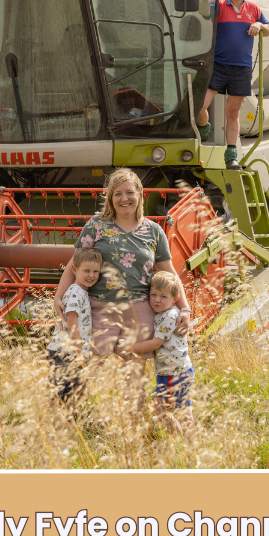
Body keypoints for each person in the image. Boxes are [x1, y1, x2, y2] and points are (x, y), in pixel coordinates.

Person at [53, 168, 192, 405]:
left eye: (129, 192)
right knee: (84, 369)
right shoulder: (97, 225)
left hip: (139, 311)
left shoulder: (153, 231)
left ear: (140, 194)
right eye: (117, 194)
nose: (124, 198)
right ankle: (72, 417)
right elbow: (74, 264)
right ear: (110, 198)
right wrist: (59, 296)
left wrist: (185, 308)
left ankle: (131, 423)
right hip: (99, 308)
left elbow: (169, 272)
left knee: (133, 381)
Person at [196, 0, 269, 171]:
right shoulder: (219, 5)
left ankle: (231, 158)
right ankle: (204, 128)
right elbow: (203, 10)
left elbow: (268, 29)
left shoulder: (254, 9)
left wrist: (258, 24)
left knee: (233, 112)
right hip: (218, 65)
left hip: (242, 68)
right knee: (200, 106)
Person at [116, 271, 195, 434]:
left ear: (175, 299)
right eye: (154, 295)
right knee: (160, 409)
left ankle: (190, 441)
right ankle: (180, 438)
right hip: (166, 372)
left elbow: (155, 343)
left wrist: (128, 348)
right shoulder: (161, 313)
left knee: (181, 411)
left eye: (163, 296)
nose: (157, 300)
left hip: (176, 372)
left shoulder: (170, 315)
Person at [46, 247, 102, 402]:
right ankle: (56, 417)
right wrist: (79, 353)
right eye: (86, 271)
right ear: (74, 270)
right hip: (66, 353)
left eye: (95, 271)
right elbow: (72, 323)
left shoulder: (81, 292)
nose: (91, 275)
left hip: (68, 352)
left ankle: (66, 417)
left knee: (68, 395)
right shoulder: (76, 292)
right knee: (60, 396)